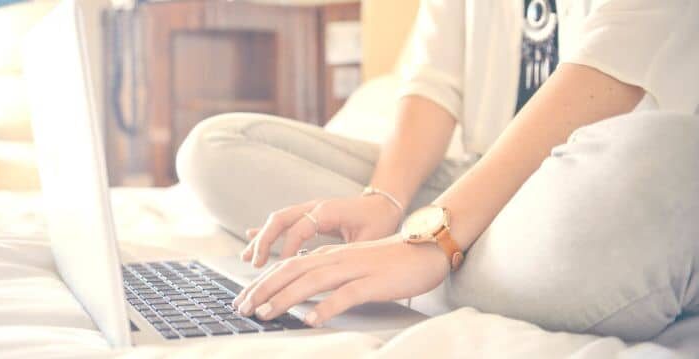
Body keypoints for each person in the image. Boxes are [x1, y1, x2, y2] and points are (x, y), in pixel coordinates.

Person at [177, 0, 699, 341]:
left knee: (670, 155)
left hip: (584, 187)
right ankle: (417, 259)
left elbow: (608, 72)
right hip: (473, 175)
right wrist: (385, 199)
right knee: (216, 148)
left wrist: (432, 241)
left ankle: (418, 263)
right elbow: (434, 81)